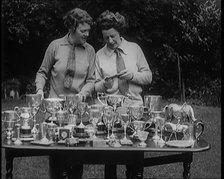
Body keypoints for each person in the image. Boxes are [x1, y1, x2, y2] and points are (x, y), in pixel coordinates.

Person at [35, 8, 95, 179]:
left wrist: (82, 94)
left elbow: (91, 80)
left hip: (78, 114)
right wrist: (40, 90)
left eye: (88, 31)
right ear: (72, 28)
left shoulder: (90, 50)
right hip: (54, 114)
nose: (87, 34)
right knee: (57, 160)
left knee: (77, 161)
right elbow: (42, 72)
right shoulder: (55, 46)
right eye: (83, 30)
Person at [95, 10, 152, 179]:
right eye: (106, 38)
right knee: (110, 157)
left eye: (113, 36)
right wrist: (103, 85)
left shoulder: (134, 49)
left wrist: (132, 76)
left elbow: (148, 76)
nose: (110, 41)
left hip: (134, 108)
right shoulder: (99, 55)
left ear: (120, 31)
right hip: (109, 112)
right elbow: (94, 86)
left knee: (134, 157)